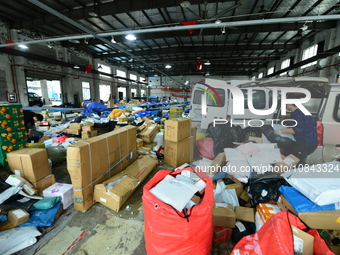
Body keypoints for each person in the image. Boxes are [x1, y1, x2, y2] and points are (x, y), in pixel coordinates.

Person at [274, 101, 318, 166]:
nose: (286, 106)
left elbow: (298, 129)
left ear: (290, 104)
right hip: (306, 142)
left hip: (305, 143)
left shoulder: (298, 114)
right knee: (290, 158)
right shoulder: (301, 111)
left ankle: (296, 174)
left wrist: (281, 131)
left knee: (296, 162)